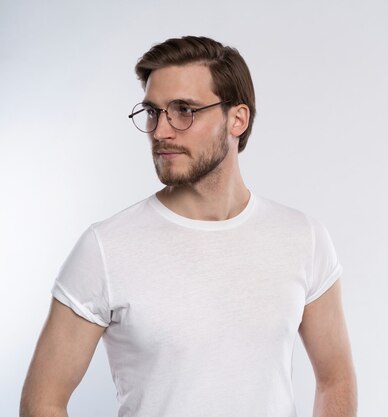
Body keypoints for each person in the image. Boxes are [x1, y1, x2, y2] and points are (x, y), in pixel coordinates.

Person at [20, 36, 357, 417]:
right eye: (153, 112)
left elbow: (335, 379)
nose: (161, 131)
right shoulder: (104, 248)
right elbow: (43, 401)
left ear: (237, 119)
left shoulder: (303, 238)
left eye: (184, 110)